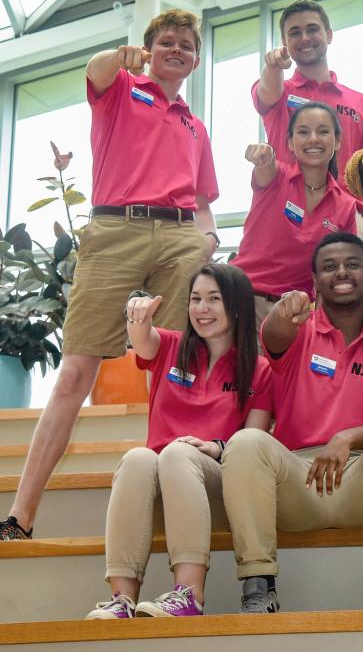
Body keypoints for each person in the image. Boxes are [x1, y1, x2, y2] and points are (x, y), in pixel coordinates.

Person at [2, 10, 220, 542]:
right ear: (146, 50)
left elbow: (204, 199)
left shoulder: (196, 125)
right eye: (166, 42)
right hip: (114, 228)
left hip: (179, 237)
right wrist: (116, 56)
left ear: (195, 58)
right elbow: (96, 70)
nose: (177, 50)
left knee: (173, 368)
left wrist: (207, 240)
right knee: (75, 372)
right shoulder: (122, 86)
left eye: (186, 45)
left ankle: (172, 500)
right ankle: (19, 516)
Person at [221, 232, 363, 612]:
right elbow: (273, 334)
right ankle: (258, 588)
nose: (342, 272)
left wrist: (346, 437)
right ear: (314, 281)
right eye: (329, 266)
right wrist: (283, 309)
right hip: (298, 483)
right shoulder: (297, 333)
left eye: (352, 264)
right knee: (244, 443)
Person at [85, 264, 272, 619]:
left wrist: (218, 447)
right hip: (155, 485)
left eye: (213, 299)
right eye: (195, 299)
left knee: (177, 454)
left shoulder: (258, 369)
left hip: (214, 484)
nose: (202, 309)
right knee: (138, 457)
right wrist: (137, 319)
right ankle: (121, 600)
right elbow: (144, 340)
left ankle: (189, 595)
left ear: (237, 305)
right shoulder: (171, 346)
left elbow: (256, 440)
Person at [253, 0, 363, 248]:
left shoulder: (361, 103)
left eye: (312, 29)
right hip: (286, 216)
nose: (304, 38)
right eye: (294, 32)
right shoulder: (280, 92)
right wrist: (272, 66)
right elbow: (266, 90)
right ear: (285, 42)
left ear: (329, 35)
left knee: (343, 288)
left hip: (347, 219)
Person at [231, 101, 358, 331]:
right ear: (290, 142)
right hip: (242, 301)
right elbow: (265, 166)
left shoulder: (345, 206)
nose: (313, 139)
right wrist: (264, 156)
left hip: (291, 316)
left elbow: (331, 276)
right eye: (303, 132)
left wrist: (321, 329)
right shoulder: (275, 176)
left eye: (323, 131)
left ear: (338, 141)